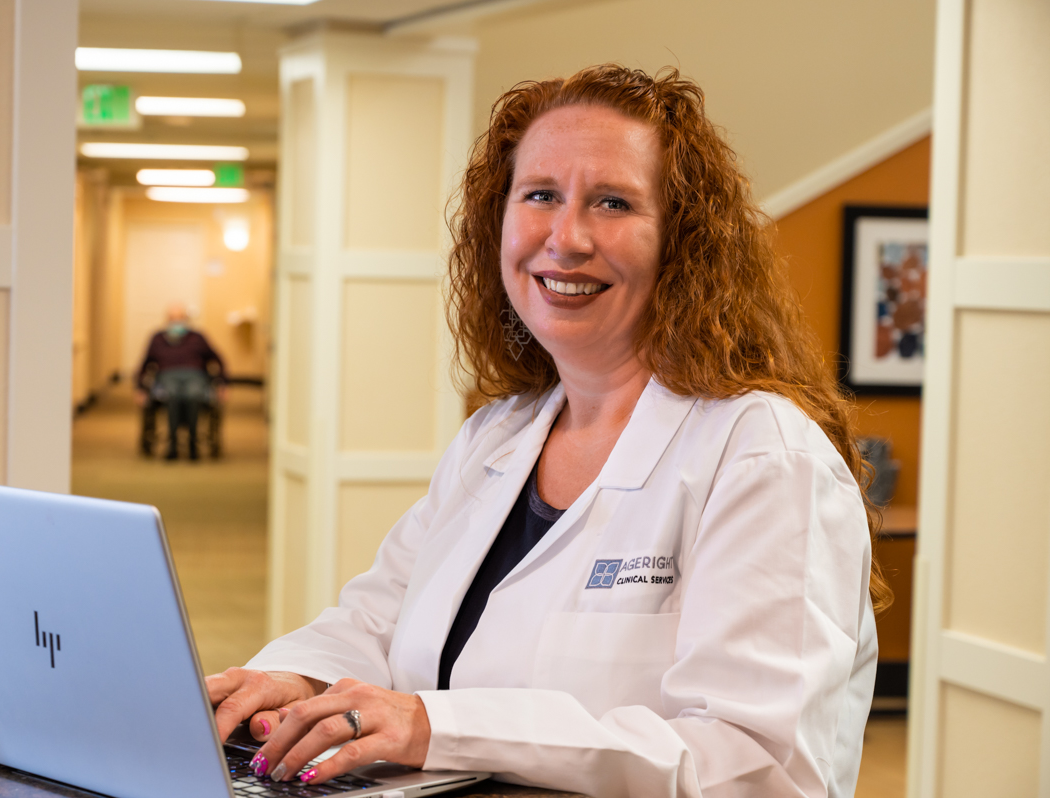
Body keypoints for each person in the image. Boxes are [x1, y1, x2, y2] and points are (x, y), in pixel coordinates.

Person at [206, 65, 890, 797]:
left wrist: (441, 727)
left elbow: (764, 765)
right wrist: (296, 678)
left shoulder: (764, 455)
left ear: (682, 242)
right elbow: (379, 619)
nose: (565, 238)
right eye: (540, 196)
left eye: (613, 202)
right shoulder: (498, 436)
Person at [136, 304, 227, 461]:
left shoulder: (198, 337)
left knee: (193, 395)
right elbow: (144, 365)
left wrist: (224, 384)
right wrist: (140, 388)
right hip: (167, 376)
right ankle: (173, 444)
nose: (176, 322)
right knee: (172, 395)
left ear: (186, 320)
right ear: (167, 320)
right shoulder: (157, 338)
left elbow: (218, 359)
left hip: (195, 376)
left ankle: (193, 444)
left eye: (180, 318)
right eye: (173, 318)